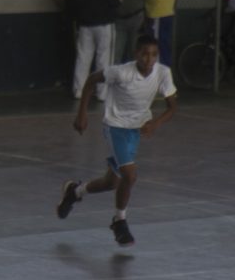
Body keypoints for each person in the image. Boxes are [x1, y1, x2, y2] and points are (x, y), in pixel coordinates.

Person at [57, 35, 177, 246]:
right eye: (144, 54)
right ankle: (119, 221)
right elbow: (92, 79)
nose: (149, 59)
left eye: (153, 55)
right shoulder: (121, 72)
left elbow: (172, 107)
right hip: (115, 127)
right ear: (135, 54)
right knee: (129, 176)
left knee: (112, 182)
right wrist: (82, 113)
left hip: (135, 130)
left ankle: (74, 191)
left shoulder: (163, 73)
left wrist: (154, 123)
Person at [70, 0, 123, 100]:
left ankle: (79, 90)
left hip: (85, 25)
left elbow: (73, 1)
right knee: (104, 58)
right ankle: (102, 93)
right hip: (104, 24)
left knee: (82, 58)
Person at [53, 0, 90, 86]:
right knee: (76, 50)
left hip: (91, 20)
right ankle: (74, 81)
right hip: (74, 19)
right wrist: (69, 10)